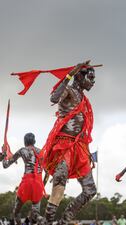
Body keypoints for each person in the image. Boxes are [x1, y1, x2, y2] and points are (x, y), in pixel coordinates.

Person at [42, 61, 97, 225]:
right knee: (59, 187)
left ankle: (64, 221)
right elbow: (54, 97)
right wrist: (69, 74)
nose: (93, 82)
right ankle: (47, 222)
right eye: (91, 77)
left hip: (80, 147)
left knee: (90, 190)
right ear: (80, 76)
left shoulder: (84, 98)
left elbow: (82, 128)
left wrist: (87, 152)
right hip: (63, 145)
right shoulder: (69, 90)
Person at [1, 133, 45, 225]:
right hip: (38, 184)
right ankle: (42, 220)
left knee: (16, 212)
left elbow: (5, 165)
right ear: (35, 142)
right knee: (36, 215)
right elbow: (47, 171)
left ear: (25, 142)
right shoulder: (41, 152)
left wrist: (4, 153)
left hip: (26, 183)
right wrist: (42, 185)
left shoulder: (22, 150)